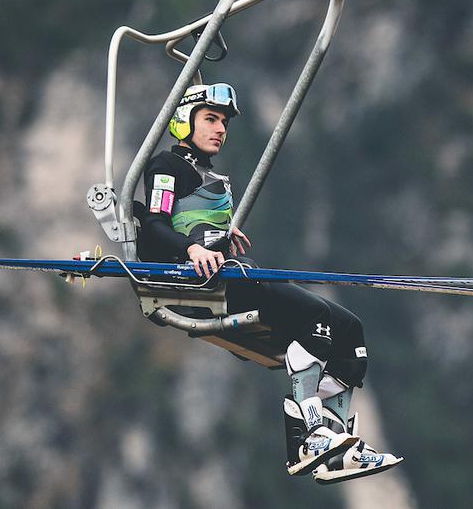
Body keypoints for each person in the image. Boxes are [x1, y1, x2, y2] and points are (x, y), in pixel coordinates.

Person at [137, 82, 402, 483]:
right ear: (183, 122)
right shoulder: (165, 167)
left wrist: (221, 235)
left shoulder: (205, 175)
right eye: (210, 119)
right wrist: (194, 249)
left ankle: (335, 441)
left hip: (236, 272)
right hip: (212, 285)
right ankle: (309, 435)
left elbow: (199, 222)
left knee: (351, 332)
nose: (220, 129)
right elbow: (155, 226)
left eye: (223, 122)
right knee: (315, 317)